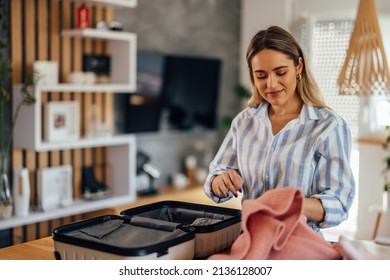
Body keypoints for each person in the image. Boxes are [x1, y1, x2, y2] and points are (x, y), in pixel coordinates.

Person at [203, 25, 356, 235]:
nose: (271, 84)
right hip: (250, 240)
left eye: (280, 72)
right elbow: (216, 176)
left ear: (298, 67)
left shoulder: (328, 126)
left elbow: (338, 204)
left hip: (298, 246)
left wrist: (289, 203)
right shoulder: (244, 122)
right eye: (261, 75)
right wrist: (219, 182)